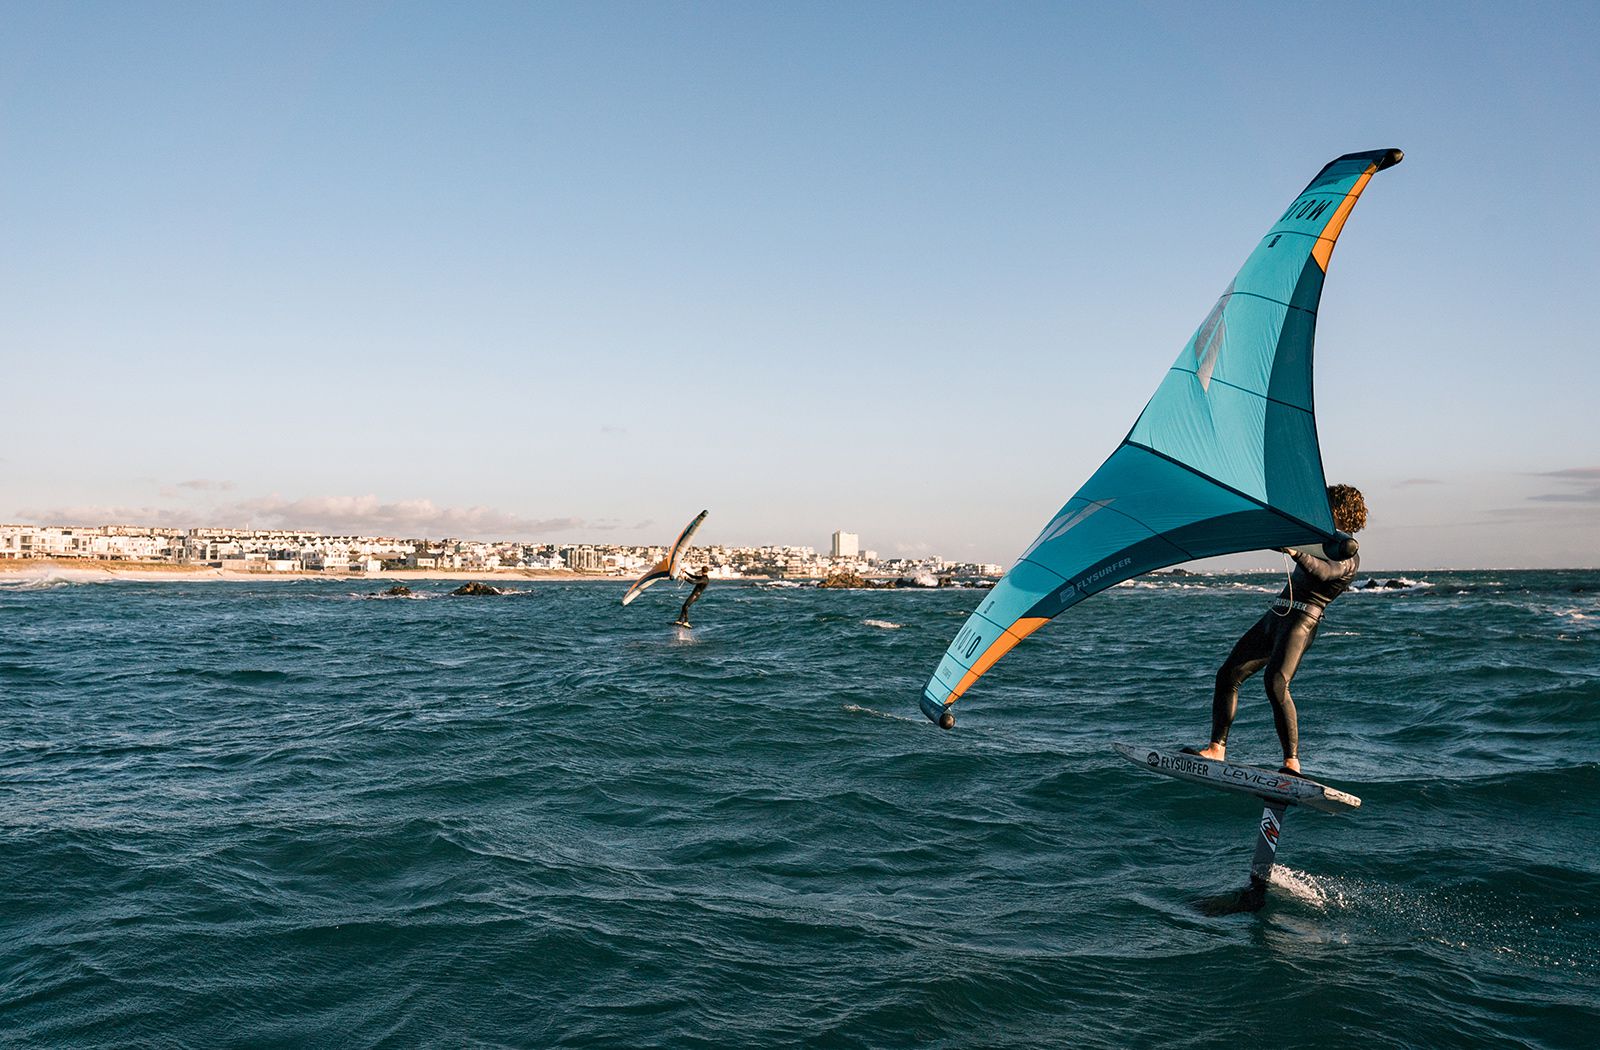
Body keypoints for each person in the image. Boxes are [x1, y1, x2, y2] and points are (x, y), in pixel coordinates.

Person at [1189, 484, 1368, 776]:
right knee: (1228, 674)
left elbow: (1324, 572)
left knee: (1276, 684)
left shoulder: (1348, 554)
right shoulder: (1315, 540)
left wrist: (1296, 551)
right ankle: (1216, 749)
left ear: (1339, 510)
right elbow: (1281, 543)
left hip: (1301, 622)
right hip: (1276, 614)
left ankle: (1291, 764)